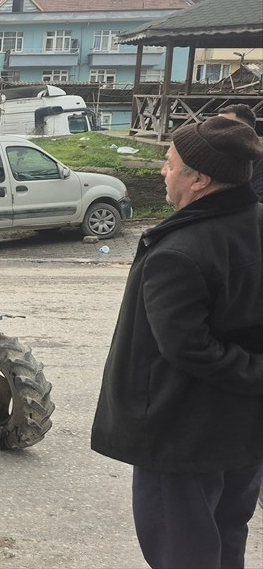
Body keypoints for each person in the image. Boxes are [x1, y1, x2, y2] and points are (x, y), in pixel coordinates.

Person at [90, 117, 263, 569]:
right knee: (227, 534)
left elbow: (188, 348)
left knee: (181, 550)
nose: (163, 173)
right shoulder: (255, 223)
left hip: (181, 434)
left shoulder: (179, 251)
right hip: (246, 427)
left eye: (170, 164)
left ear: (200, 178)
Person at [216, 104, 263, 201]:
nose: (215, 130)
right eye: (215, 124)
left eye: (224, 125)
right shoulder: (209, 155)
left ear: (245, 131)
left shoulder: (258, 160)